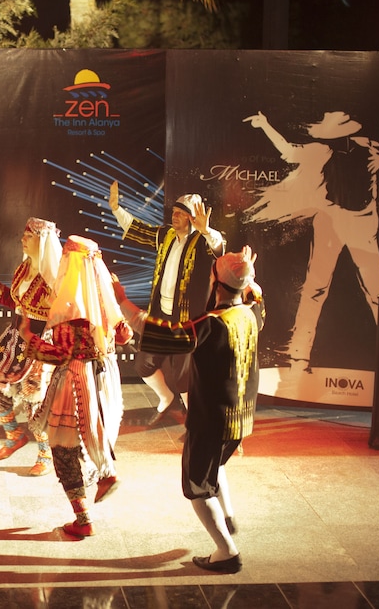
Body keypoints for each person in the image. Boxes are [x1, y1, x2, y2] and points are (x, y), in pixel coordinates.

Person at [118, 247, 265, 574]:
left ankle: (226, 551)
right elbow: (255, 294)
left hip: (211, 421)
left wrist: (121, 300)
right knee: (215, 467)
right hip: (241, 421)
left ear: (215, 282)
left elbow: (161, 333)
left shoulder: (212, 324)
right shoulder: (252, 314)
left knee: (197, 488)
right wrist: (248, 275)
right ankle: (227, 517)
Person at [243, 110, 379, 371]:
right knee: (316, 288)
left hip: (359, 222)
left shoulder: (365, 151)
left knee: (375, 291)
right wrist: (265, 125)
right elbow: (288, 151)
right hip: (334, 219)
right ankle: (299, 354)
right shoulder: (329, 151)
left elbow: (290, 152)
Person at [19, 236, 133, 539]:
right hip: (105, 377)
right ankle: (104, 473)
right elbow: (125, 335)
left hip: (77, 381)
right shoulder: (104, 299)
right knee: (90, 436)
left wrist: (29, 338)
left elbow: (60, 354)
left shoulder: (71, 309)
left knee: (63, 449)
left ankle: (84, 517)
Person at [109, 181, 225, 426]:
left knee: (183, 376)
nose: (175, 215)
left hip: (187, 320)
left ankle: (196, 420)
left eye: (181, 213)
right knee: (144, 365)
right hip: (160, 314)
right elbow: (138, 229)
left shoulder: (202, 241)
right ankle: (166, 399)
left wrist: (206, 231)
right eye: (174, 211)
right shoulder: (166, 235)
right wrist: (116, 209)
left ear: (192, 218)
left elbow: (219, 249)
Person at [0, 217, 62, 477]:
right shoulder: (24, 268)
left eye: (29, 236)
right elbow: (18, 304)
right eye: (23, 235)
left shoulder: (54, 277)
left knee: (34, 399)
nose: (23, 239)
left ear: (42, 241)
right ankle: (14, 435)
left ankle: (45, 453)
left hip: (41, 341)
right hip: (14, 339)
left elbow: (64, 313)